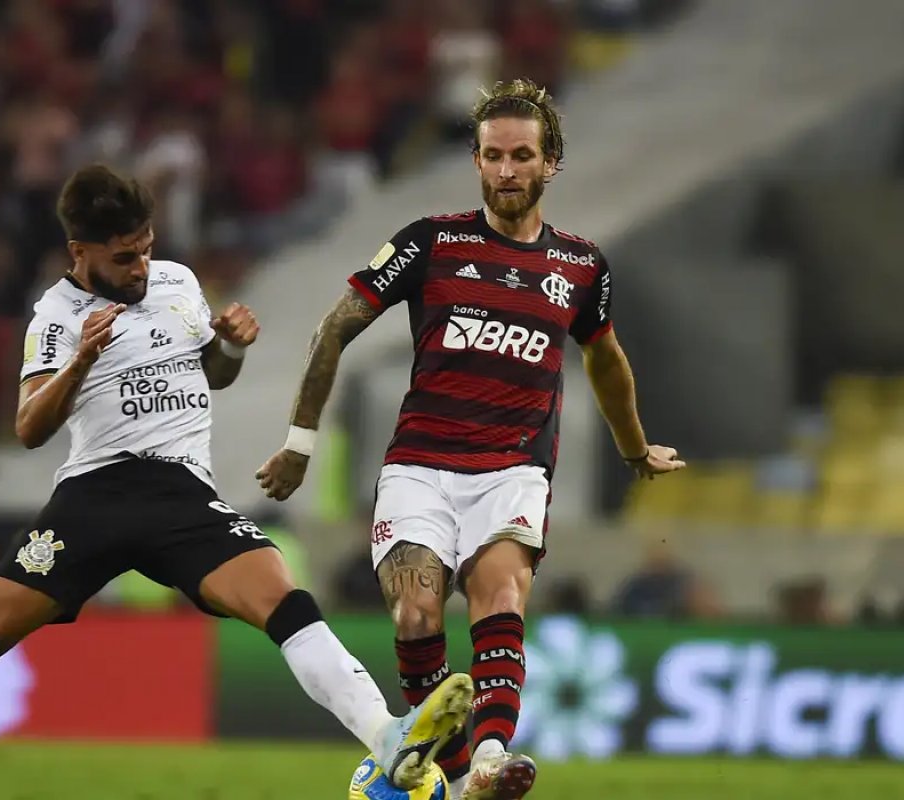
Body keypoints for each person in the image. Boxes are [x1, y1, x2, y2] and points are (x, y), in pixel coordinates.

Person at [0, 164, 472, 800]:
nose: (141, 267)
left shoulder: (178, 281)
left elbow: (208, 377)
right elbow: (28, 427)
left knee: (286, 599)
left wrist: (231, 348)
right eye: (123, 258)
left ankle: (389, 744)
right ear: (79, 251)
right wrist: (82, 362)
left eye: (145, 249)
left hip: (182, 492)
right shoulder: (55, 317)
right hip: (95, 495)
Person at [256, 79, 685, 800]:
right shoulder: (431, 242)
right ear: (477, 161)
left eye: (523, 156)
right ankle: (458, 781)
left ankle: (487, 761)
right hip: (420, 466)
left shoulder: (580, 268)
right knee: (417, 610)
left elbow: (605, 362)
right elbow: (335, 327)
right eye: (494, 156)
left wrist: (634, 447)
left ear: (551, 164)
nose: (508, 170)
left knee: (500, 598)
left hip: (513, 468)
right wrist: (300, 442)